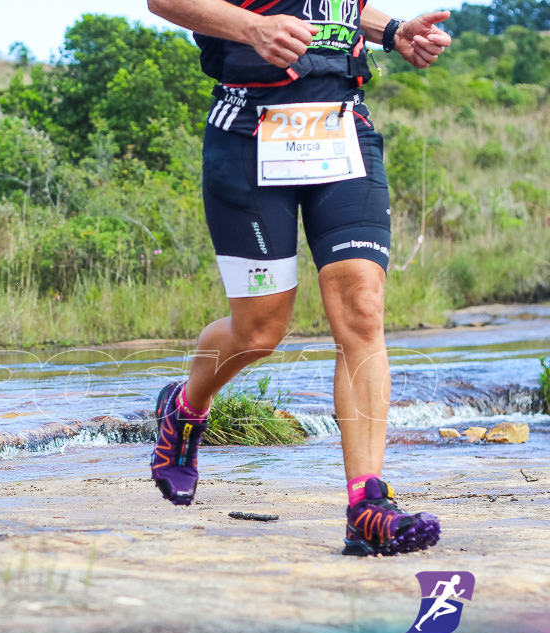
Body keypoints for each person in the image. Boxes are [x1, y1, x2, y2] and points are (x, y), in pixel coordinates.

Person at [146, 0, 451, 555]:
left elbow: (334, 9)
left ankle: (367, 505)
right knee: (260, 331)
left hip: (341, 129)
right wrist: (252, 27)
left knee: (362, 307)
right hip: (247, 134)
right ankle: (185, 407)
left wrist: (395, 32)